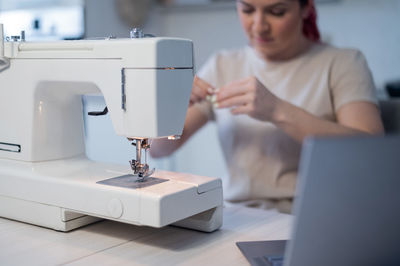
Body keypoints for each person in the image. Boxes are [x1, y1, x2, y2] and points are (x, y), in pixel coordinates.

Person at [150, 0, 384, 213]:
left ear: (305, 8)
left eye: (277, 12)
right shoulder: (222, 65)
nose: (259, 26)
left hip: (316, 217)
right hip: (237, 216)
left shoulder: (343, 63)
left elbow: (372, 153)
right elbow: (158, 149)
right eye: (248, 10)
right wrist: (172, 104)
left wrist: (277, 111)